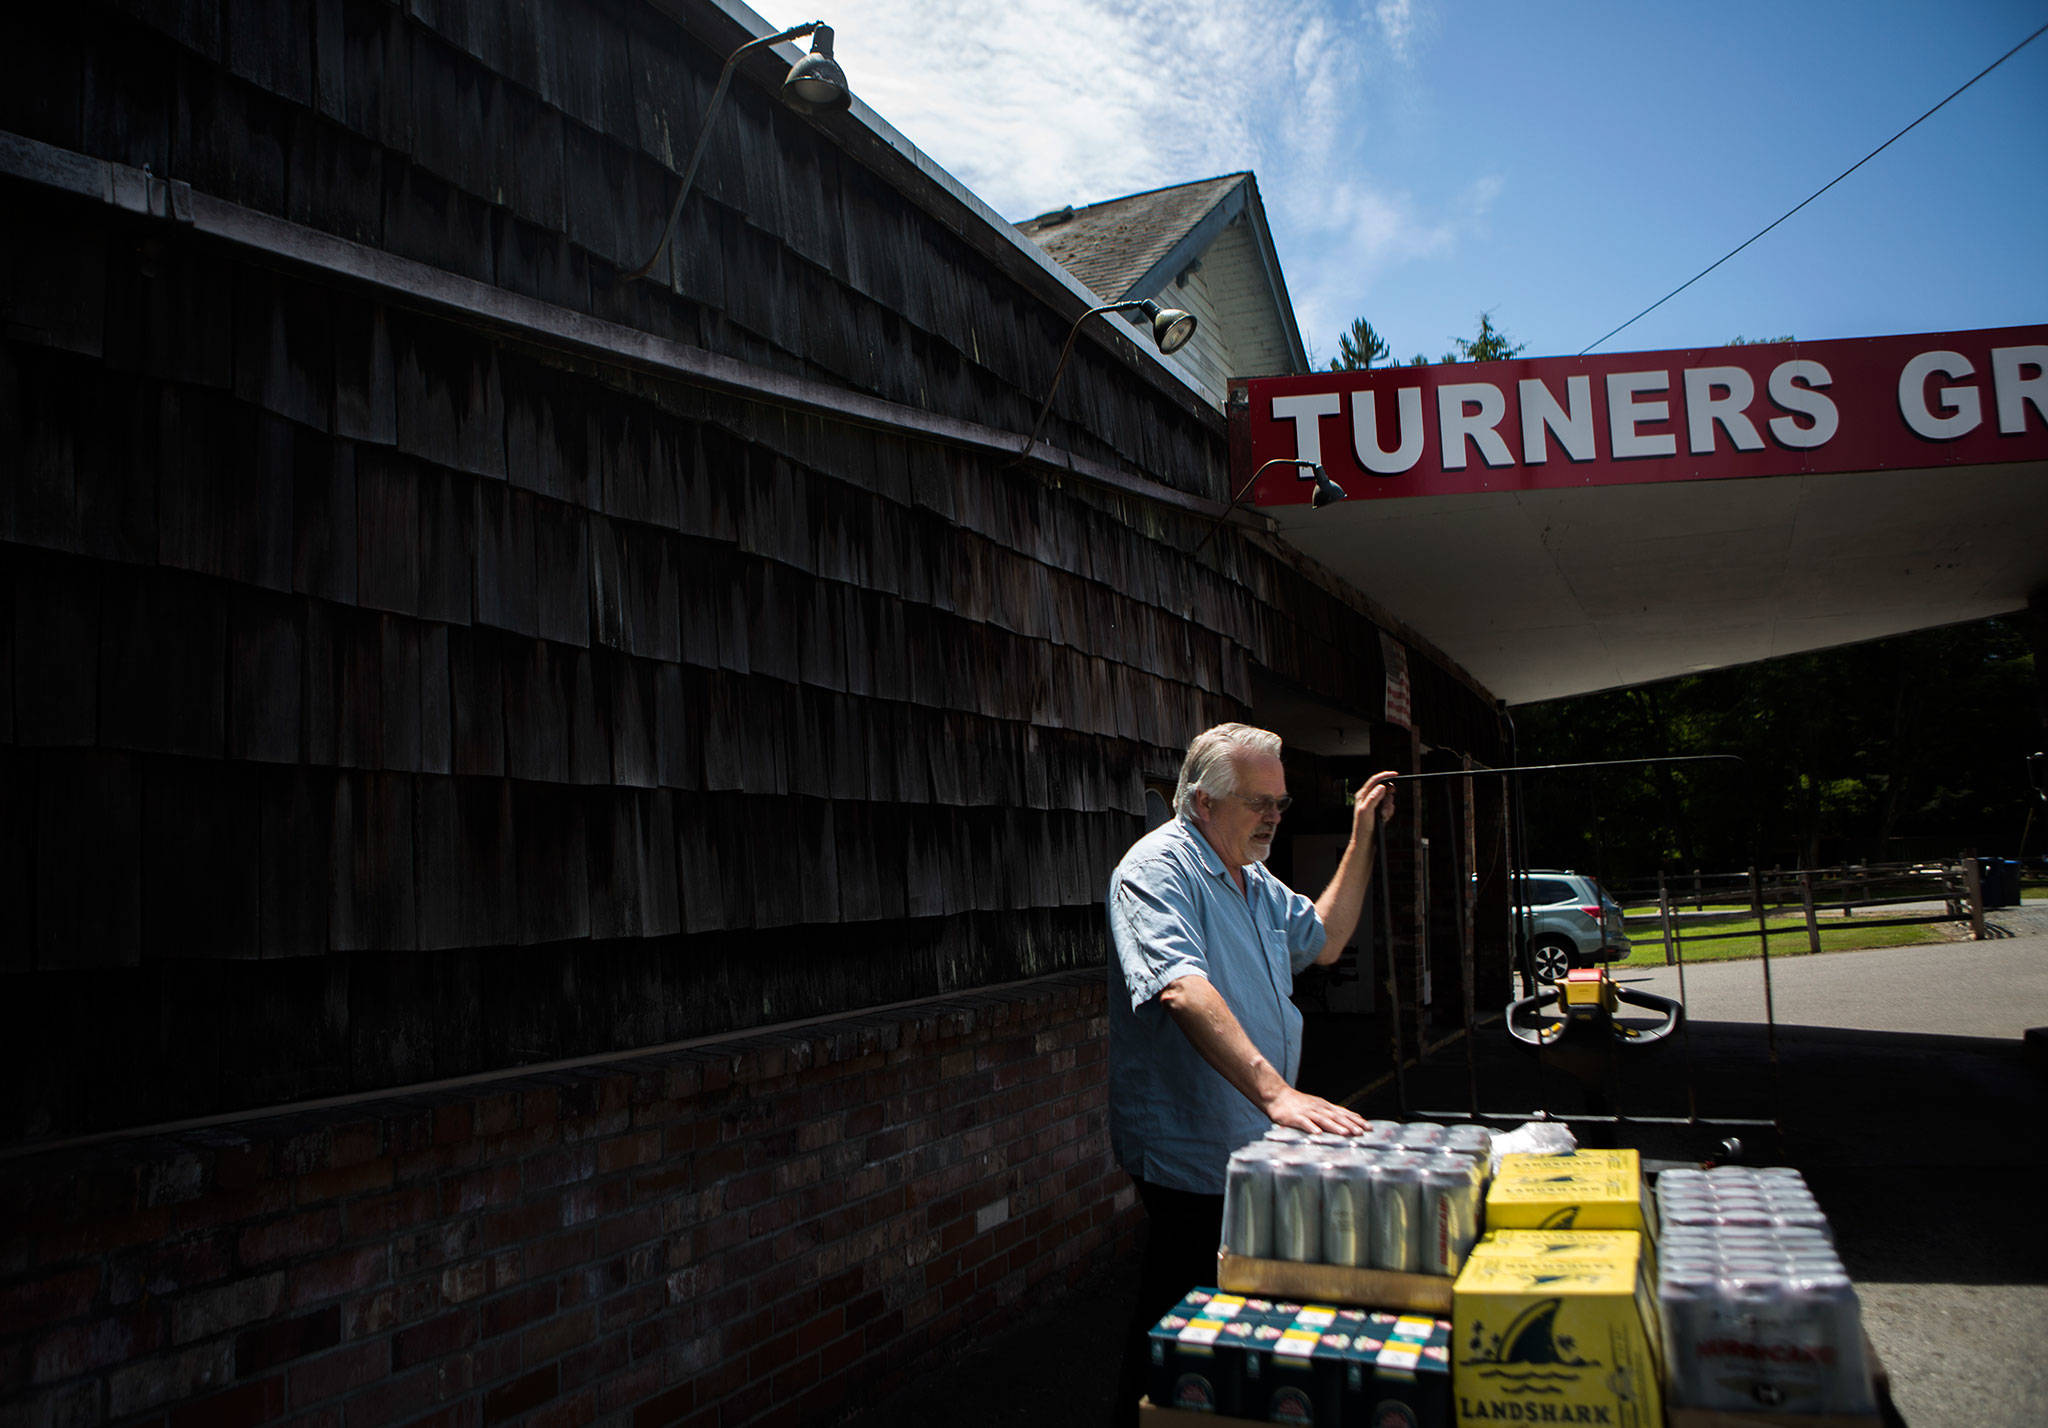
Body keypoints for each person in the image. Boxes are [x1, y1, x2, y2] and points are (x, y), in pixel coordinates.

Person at [1105, 722, 1396, 1424]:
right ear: (1204, 802)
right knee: (1180, 1321)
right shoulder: (1155, 872)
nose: (1274, 816)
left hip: (1247, 1138)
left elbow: (1324, 941)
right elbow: (1181, 987)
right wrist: (1278, 1093)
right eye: (1259, 802)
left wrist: (1361, 835)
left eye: (1281, 803)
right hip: (1190, 1146)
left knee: (1222, 1320)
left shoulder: (1253, 878)